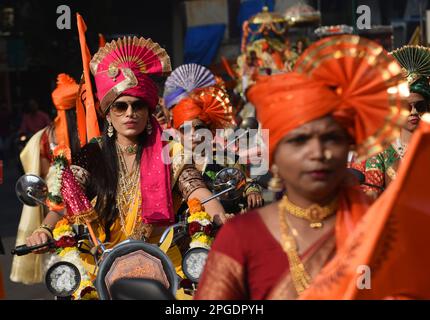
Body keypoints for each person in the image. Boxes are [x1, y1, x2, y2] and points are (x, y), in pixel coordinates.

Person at [195, 35, 408, 299]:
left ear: (349, 146)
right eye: (299, 140)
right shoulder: (240, 238)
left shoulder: (384, 231)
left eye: (331, 138)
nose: (318, 153)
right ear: (274, 155)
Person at [25, 36, 225, 276]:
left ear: (148, 111)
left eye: (137, 105)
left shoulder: (170, 152)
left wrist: (222, 217)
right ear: (108, 115)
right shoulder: (92, 154)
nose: (130, 113)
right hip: (105, 266)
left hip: (164, 264)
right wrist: (44, 230)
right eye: (121, 106)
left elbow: (197, 191)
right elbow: (64, 203)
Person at [11, 73, 84, 284]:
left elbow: (40, 172)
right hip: (60, 208)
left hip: (63, 208)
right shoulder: (88, 133)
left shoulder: (46, 134)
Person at [171, 85, 264, 213]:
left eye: (198, 128)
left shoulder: (228, 160)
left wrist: (252, 192)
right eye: (185, 129)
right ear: (177, 134)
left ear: (211, 131)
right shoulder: (172, 162)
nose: (193, 134)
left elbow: (246, 183)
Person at [356, 45, 430, 198]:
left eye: (420, 106)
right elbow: (371, 195)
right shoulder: (380, 150)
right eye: (406, 107)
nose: (414, 112)